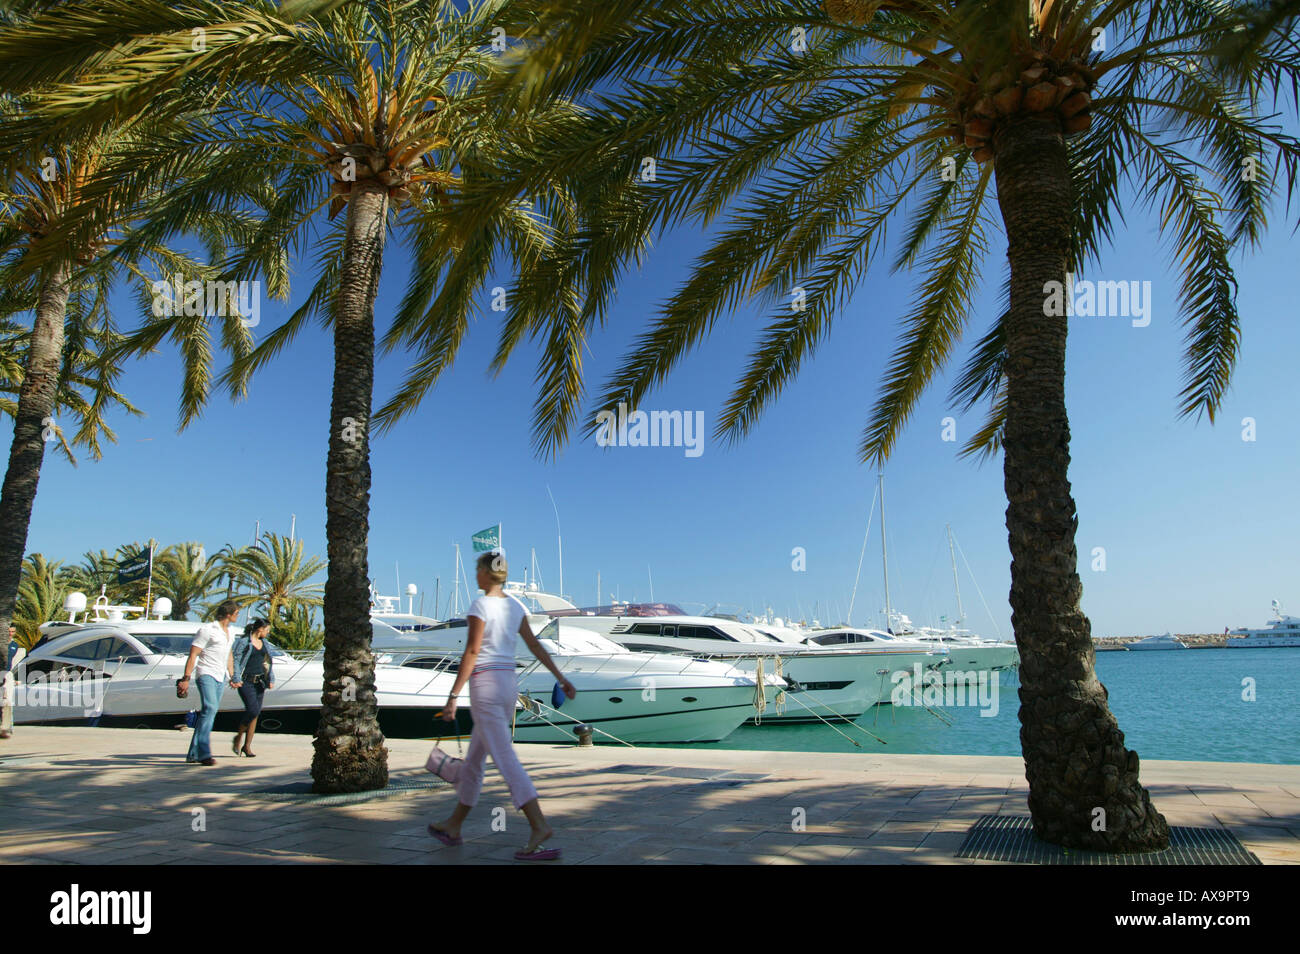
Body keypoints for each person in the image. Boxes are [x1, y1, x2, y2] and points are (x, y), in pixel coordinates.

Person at [428, 551, 576, 860]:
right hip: (508, 685)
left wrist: (453, 697)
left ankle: (539, 825)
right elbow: (534, 645)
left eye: (477, 569)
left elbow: (472, 651)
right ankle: (454, 825)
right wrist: (560, 677)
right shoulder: (515, 606)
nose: (475, 574)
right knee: (474, 761)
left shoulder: (480, 605)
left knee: (505, 759)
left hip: (486, 686)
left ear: (486, 572)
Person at [179, 600, 239, 765]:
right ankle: (204, 754)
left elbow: (229, 655)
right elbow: (193, 655)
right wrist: (186, 678)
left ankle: (193, 753)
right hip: (206, 674)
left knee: (209, 713)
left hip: (220, 676)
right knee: (210, 708)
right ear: (229, 614)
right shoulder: (207, 630)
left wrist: (233, 676)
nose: (237, 616)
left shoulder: (231, 632)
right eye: (236, 613)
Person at [230, 617, 274, 758]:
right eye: (266, 630)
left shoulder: (265, 643)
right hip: (246, 681)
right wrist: (236, 678)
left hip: (260, 682)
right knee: (252, 710)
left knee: (255, 714)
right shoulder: (244, 642)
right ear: (260, 629)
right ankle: (238, 736)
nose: (267, 633)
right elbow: (236, 661)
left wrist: (270, 679)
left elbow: (268, 663)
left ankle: (247, 746)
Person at [0, 624, 20, 740]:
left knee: (7, 701)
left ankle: (6, 727)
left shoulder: (14, 645)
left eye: (13, 631)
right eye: (9, 631)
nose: (10, 633)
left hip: (7, 674)